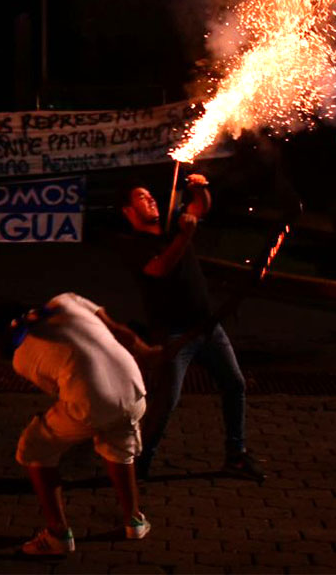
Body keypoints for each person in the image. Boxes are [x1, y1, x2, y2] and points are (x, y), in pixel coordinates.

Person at [0, 293, 160, 556]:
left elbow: (61, 389)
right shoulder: (66, 301)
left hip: (91, 404)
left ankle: (57, 535)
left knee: (34, 448)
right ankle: (134, 521)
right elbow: (120, 332)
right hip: (134, 389)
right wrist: (147, 352)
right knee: (119, 449)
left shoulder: (21, 359)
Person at [120, 173, 265, 482]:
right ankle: (140, 464)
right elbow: (159, 268)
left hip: (208, 326)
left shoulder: (173, 224)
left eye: (151, 195)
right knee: (167, 401)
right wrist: (184, 237)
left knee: (235, 384)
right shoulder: (135, 245)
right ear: (129, 213)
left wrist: (199, 188)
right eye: (141, 198)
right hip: (174, 335)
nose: (151, 200)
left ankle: (235, 456)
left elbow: (201, 209)